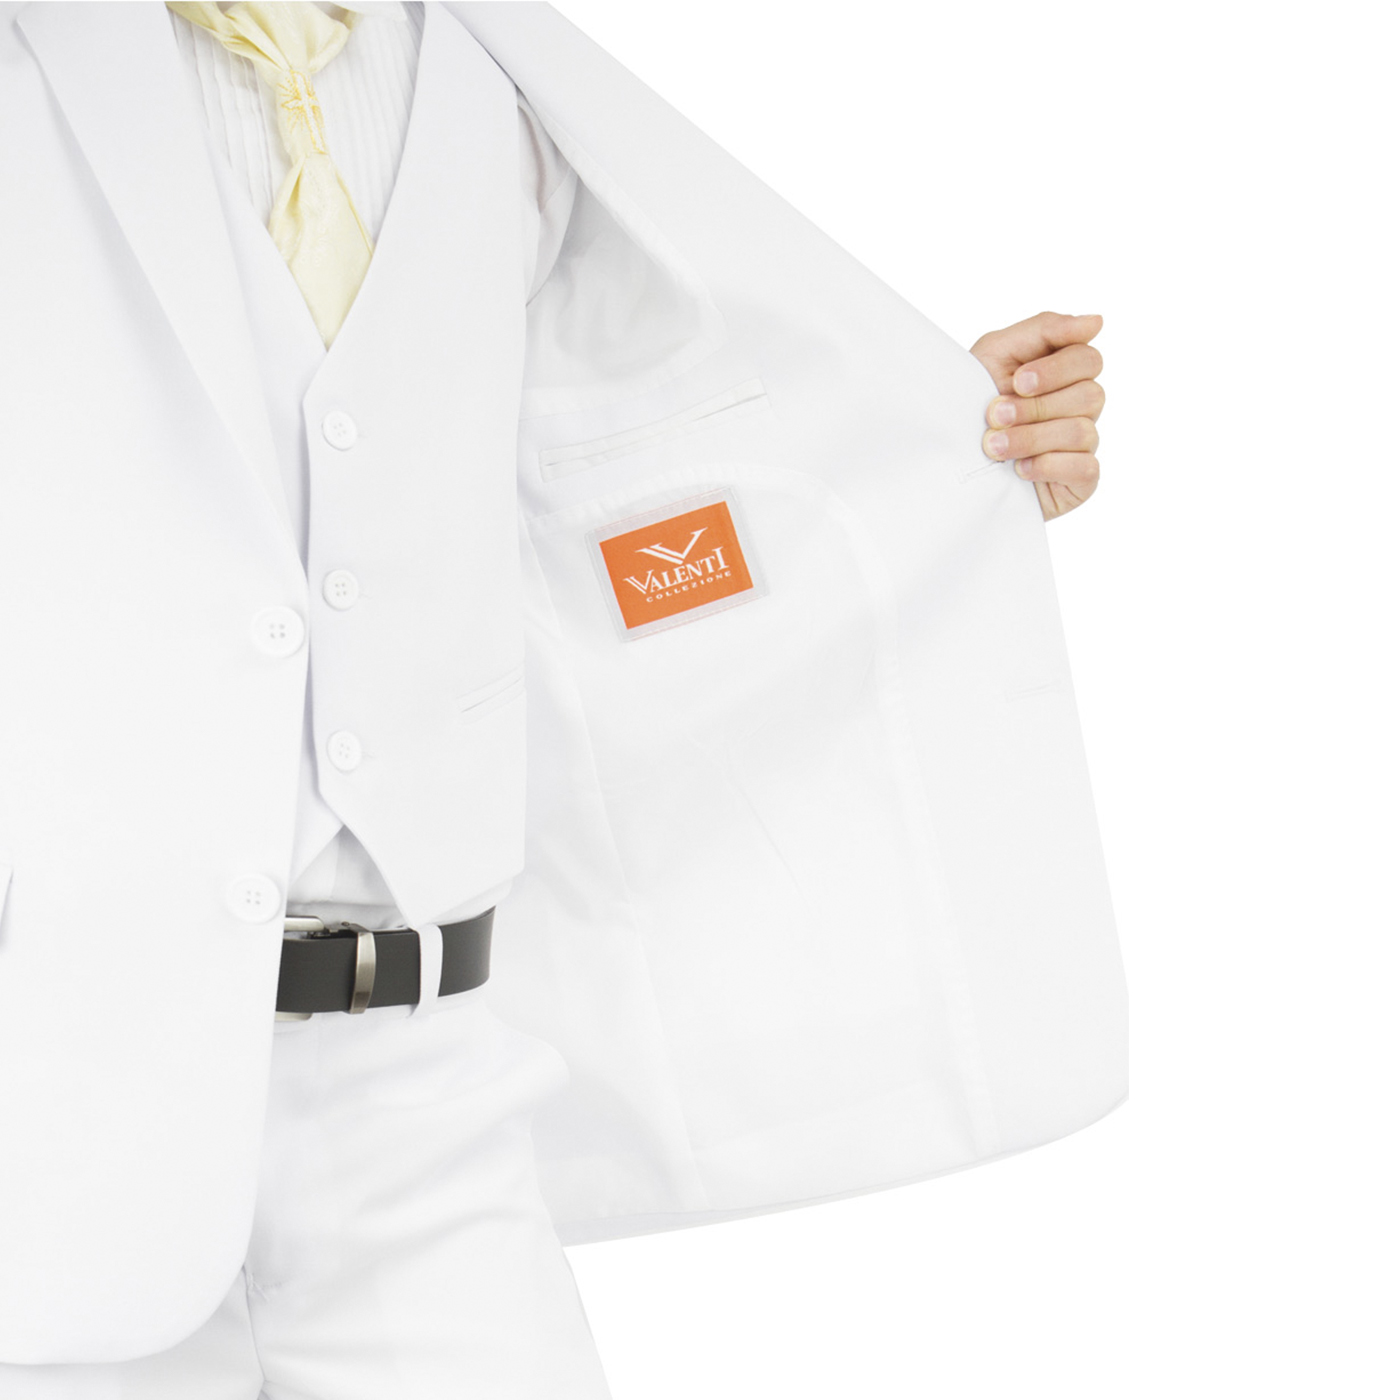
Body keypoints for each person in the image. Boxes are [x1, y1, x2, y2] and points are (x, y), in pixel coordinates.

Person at [0, 2, 1123, 1394]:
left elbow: (600, 491)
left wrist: (932, 451)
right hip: (52, 1085)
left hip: (423, 1099)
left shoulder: (492, 71)